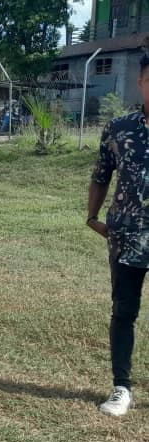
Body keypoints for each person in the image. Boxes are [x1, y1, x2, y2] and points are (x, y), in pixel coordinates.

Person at [86, 52, 149, 416]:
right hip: (126, 236)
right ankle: (121, 387)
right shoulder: (119, 128)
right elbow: (100, 175)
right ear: (139, 82)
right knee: (124, 311)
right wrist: (92, 216)